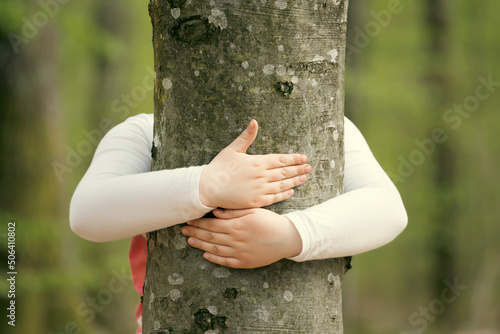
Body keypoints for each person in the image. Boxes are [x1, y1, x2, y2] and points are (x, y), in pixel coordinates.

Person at [69, 113, 407, 332]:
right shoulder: (147, 130)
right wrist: (207, 184)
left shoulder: (326, 122)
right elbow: (87, 214)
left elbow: (388, 209)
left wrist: (290, 234)